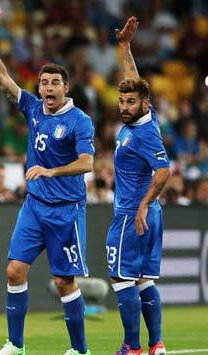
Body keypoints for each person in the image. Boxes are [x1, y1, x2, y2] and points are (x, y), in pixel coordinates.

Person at [0, 8, 95, 355]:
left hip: (66, 209)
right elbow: (1, 77)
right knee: (14, 270)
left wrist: (51, 171)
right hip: (34, 206)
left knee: (64, 281)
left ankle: (79, 349)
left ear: (65, 87)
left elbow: (88, 162)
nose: (47, 88)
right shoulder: (32, 108)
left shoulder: (79, 121)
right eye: (43, 83)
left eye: (54, 83)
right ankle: (16, 344)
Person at [106, 17, 171, 355]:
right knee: (144, 279)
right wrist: (125, 48)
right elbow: (134, 81)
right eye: (122, 102)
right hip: (150, 214)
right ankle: (156, 345)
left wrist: (143, 204)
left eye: (131, 103)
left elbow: (164, 171)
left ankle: (131, 347)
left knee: (121, 279)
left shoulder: (143, 133)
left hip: (133, 213)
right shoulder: (148, 118)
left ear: (144, 104)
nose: (124, 107)